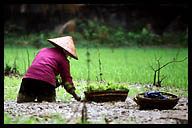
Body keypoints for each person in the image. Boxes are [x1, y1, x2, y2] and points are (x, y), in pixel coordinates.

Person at [16, 36, 81, 103]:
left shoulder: (43, 50)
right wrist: (75, 95)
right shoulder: (64, 60)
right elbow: (66, 80)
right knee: (47, 102)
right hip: (46, 83)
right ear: (66, 51)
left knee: (23, 101)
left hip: (28, 80)